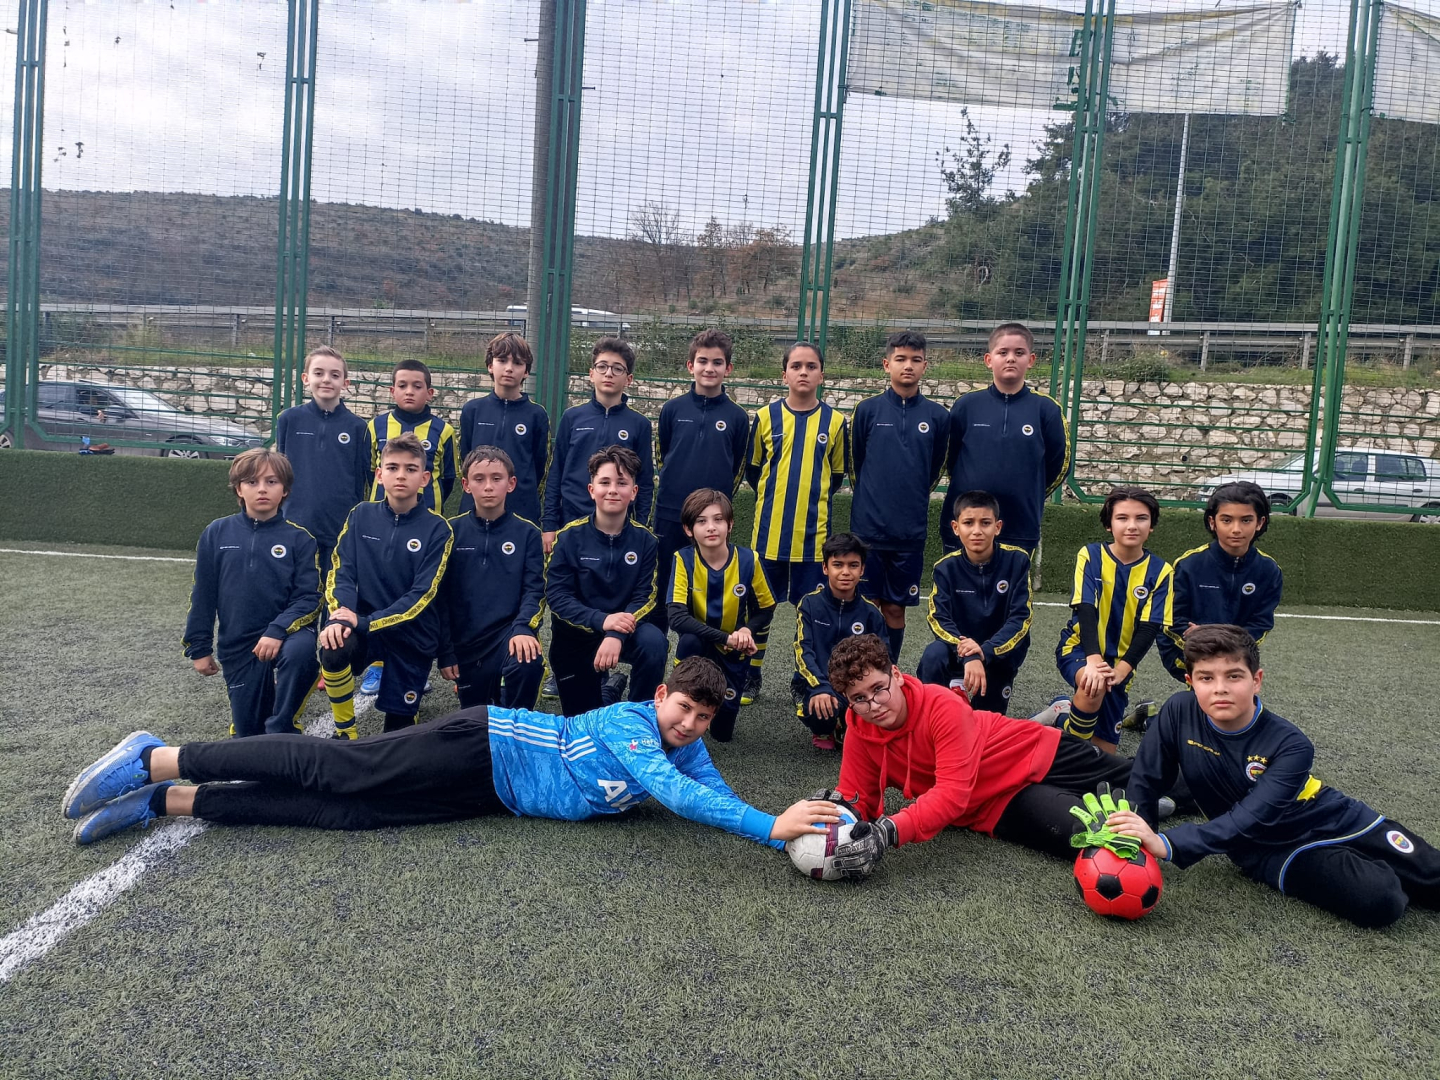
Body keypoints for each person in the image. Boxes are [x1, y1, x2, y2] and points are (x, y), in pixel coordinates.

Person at [62, 658, 844, 852]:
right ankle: (160, 758)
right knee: (342, 769)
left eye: (703, 718)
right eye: (684, 708)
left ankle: (167, 802)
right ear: (662, 694)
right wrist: (765, 826)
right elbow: (676, 796)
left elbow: (710, 791)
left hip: (492, 796)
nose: (691, 725)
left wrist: (782, 827)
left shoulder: (686, 747)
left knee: (350, 817)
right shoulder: (631, 725)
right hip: (484, 743)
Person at [1106, 625, 1440, 929]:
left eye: (1234, 676)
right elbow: (1146, 780)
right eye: (1206, 678)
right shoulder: (1178, 711)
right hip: (1270, 849)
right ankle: (1382, 874)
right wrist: (1138, 837)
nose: (1220, 689)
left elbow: (1252, 815)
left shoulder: (1291, 744)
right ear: (1191, 682)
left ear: (1256, 680)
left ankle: (1395, 867)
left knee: (1432, 875)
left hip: (1335, 818)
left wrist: (1168, 843)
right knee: (1381, 900)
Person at [818, 634, 1132, 878]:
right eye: (859, 698)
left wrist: (887, 832)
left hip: (1033, 750)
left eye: (878, 688)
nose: (873, 705)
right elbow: (857, 797)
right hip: (995, 806)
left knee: (1141, 783)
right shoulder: (859, 728)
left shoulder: (941, 705)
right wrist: (835, 816)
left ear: (896, 675)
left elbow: (951, 793)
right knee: (1091, 836)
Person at [320, 433, 453, 738]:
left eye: (410, 469)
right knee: (334, 644)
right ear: (380, 475)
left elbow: (422, 595)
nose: (401, 475)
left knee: (397, 735)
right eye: (393, 467)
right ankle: (345, 731)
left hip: (412, 635)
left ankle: (403, 712)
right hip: (365, 628)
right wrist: (341, 616)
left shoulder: (438, 529)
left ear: (424, 478)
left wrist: (365, 622)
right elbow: (341, 571)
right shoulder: (360, 515)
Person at [182, 448, 320, 737]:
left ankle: (283, 725)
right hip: (239, 644)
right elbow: (204, 594)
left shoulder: (300, 539)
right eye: (252, 482)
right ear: (238, 489)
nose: (262, 489)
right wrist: (199, 647)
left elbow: (309, 598)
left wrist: (277, 630)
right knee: (248, 735)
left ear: (285, 490)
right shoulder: (216, 533)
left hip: (287, 635)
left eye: (272, 481)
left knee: (301, 653)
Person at [744, 340, 850, 705]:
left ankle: (804, 680)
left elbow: (836, 475)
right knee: (759, 610)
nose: (803, 372)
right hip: (768, 538)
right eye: (796, 366)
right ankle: (750, 675)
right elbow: (754, 471)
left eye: (811, 366)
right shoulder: (764, 417)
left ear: (822, 375)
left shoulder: (835, 422)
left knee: (813, 614)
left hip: (813, 542)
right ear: (784, 374)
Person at [848, 330, 950, 664]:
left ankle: (889, 672)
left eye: (916, 360)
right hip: (868, 531)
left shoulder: (937, 416)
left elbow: (934, 469)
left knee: (895, 608)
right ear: (886, 364)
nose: (908, 366)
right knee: (867, 606)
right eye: (901, 359)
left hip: (909, 533)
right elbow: (856, 464)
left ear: (925, 366)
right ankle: (861, 672)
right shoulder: (867, 410)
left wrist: (912, 495)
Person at [545, 445, 667, 717]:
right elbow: (557, 597)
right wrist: (602, 621)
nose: (613, 490)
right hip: (576, 636)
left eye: (621, 483)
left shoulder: (646, 541)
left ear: (633, 492)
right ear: (592, 490)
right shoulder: (568, 537)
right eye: (605, 482)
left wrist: (615, 634)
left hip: (625, 632)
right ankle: (609, 690)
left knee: (654, 642)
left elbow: (645, 597)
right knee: (585, 723)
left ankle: (638, 715)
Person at [1054, 487, 1173, 755]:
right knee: (1092, 685)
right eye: (1122, 518)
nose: (1132, 525)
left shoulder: (1161, 571)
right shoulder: (1091, 555)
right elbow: (1086, 610)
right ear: (1109, 524)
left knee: (1104, 755)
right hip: (1080, 649)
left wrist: (1122, 670)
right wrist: (1094, 661)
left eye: (1141, 518)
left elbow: (1149, 628)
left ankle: (1061, 716)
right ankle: (1069, 757)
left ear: (1151, 525)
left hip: (1122, 662)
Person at [653, 328, 750, 633]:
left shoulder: (737, 417)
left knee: (708, 587)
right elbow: (663, 456)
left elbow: (737, 467)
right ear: (690, 365)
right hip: (670, 513)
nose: (709, 368)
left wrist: (717, 510)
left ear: (728, 369)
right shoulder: (672, 409)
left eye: (717, 362)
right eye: (703, 361)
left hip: (711, 520)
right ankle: (655, 645)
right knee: (662, 584)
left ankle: (703, 652)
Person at [940, 322, 1067, 555]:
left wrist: (1030, 490)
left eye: (1019, 353)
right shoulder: (966, 405)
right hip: (967, 526)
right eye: (1003, 352)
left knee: (1011, 581)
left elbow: (1059, 464)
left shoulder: (1047, 410)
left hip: (1020, 525)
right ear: (989, 360)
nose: (1010, 358)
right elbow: (950, 457)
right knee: (958, 580)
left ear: (1031, 360)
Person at [436, 446, 545, 710]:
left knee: (528, 661)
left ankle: (518, 722)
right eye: (479, 479)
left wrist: (523, 627)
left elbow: (534, 591)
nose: (488, 486)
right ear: (466, 485)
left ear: (511, 484)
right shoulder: (449, 531)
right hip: (466, 642)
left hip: (508, 634)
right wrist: (446, 651)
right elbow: (440, 597)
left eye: (497, 478)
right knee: (476, 721)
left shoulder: (528, 533)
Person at [666, 489, 776, 743]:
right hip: (700, 646)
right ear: (688, 529)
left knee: (722, 734)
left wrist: (747, 630)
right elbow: (677, 618)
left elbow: (766, 608)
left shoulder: (749, 560)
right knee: (690, 642)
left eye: (718, 519)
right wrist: (725, 637)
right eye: (701, 521)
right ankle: (682, 693)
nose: (711, 527)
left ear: (730, 524)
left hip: (733, 651)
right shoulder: (683, 559)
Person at [1155, 481, 1283, 687]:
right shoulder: (1189, 565)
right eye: (1226, 520)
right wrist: (1204, 644)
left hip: (1236, 654)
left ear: (1260, 522)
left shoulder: (1269, 570)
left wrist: (1219, 640)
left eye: (1246, 520)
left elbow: (1261, 623)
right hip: (1185, 652)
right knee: (1212, 688)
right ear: (1212, 522)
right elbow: (1173, 621)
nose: (1236, 529)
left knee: (1233, 693)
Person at [917, 490, 1032, 714]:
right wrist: (968, 654)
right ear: (956, 527)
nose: (977, 531)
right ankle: (933, 711)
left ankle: (1044, 716)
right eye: (968, 523)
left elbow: (1020, 618)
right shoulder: (945, 568)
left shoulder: (1017, 561)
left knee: (986, 725)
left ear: (997, 527)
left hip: (997, 652)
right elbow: (938, 618)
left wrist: (985, 651)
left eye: (985, 523)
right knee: (934, 654)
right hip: (958, 649)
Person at [542, 336, 655, 554]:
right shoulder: (572, 417)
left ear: (629, 379)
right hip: (571, 518)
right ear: (591, 374)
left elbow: (645, 481)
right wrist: (549, 524)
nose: (609, 373)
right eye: (602, 366)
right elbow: (556, 473)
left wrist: (640, 527)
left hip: (618, 525)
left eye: (617, 368)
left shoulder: (639, 424)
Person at [272, 345, 372, 574]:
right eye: (319, 373)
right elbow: (279, 472)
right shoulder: (289, 419)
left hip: (339, 525)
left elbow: (362, 480)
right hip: (295, 521)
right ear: (305, 379)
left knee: (334, 587)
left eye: (335, 375)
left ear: (345, 383)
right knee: (294, 587)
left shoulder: (358, 427)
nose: (326, 379)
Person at [793, 533, 886, 751]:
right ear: (825, 568)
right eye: (838, 565)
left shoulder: (871, 613)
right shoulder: (809, 604)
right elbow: (803, 650)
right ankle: (824, 727)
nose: (845, 572)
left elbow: (882, 659)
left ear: (862, 569)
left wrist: (864, 689)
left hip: (857, 686)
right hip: (819, 683)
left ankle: (846, 723)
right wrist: (820, 686)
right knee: (820, 712)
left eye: (853, 565)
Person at [457, 332, 551, 525]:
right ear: (490, 366)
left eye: (517, 363)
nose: (509, 368)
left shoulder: (537, 414)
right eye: (502, 360)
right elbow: (464, 459)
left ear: (526, 371)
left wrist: (524, 492)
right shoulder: (472, 410)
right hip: (475, 511)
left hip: (522, 510)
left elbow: (541, 466)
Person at [367, 358, 460, 515]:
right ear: (392, 391)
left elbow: (448, 478)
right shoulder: (375, 426)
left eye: (417, 386)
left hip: (428, 513)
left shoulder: (444, 430)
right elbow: (369, 472)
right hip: (380, 515)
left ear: (430, 393)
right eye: (402, 386)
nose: (409, 391)